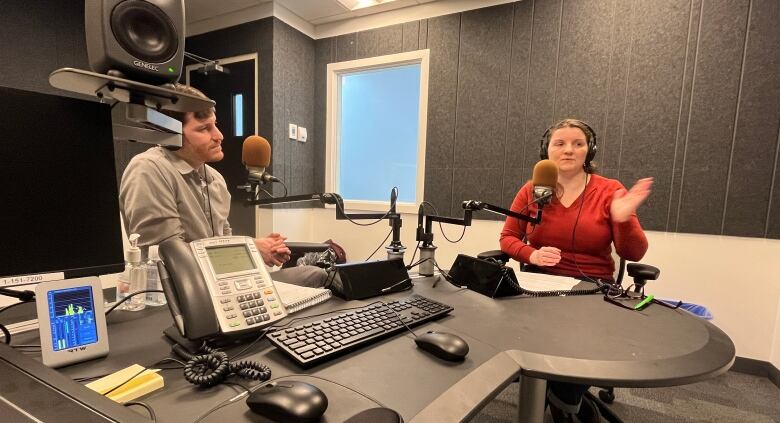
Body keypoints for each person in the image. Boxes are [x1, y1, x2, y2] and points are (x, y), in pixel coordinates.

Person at [499, 118, 653, 422]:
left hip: (591, 288)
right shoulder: (533, 189)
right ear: (547, 150)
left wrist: (623, 218)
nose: (568, 150)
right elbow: (507, 238)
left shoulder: (610, 190)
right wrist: (532, 253)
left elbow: (633, 252)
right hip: (539, 286)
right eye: (560, 143)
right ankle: (563, 402)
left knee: (574, 343)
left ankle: (564, 405)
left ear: (589, 150)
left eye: (577, 143)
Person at [119, 84, 327, 288]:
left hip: (224, 284)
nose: (219, 136)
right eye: (204, 129)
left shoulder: (215, 179)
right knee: (311, 275)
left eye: (215, 125)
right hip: (182, 293)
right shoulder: (148, 169)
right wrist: (251, 248)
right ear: (169, 134)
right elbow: (163, 255)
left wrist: (261, 248)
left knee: (316, 275)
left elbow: (223, 240)